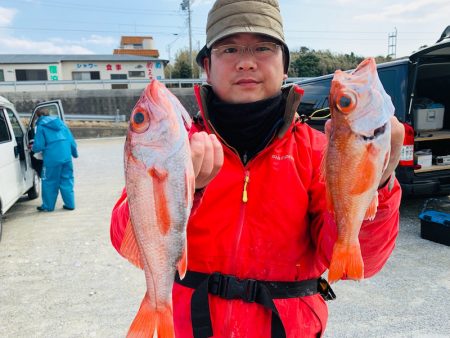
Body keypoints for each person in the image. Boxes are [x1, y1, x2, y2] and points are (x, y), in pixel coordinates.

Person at [110, 0, 405, 336]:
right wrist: (183, 191)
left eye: (263, 48)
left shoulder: (318, 151)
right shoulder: (175, 146)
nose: (246, 62)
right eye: (230, 48)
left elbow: (357, 259)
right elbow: (123, 238)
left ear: (284, 67)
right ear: (207, 65)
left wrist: (377, 181)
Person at [32, 108, 78, 212]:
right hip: (67, 158)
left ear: (38, 116)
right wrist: (75, 154)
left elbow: (39, 145)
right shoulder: (61, 123)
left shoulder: (41, 126)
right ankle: (70, 204)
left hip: (52, 159)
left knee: (49, 181)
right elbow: (71, 140)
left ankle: (48, 206)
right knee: (67, 180)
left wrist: (32, 148)